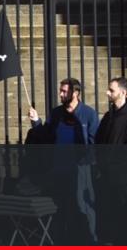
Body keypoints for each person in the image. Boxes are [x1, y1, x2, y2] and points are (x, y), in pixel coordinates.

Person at [27, 78, 99, 243]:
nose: (60, 94)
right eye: (61, 90)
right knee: (60, 209)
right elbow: (46, 136)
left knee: (83, 208)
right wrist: (36, 122)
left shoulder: (88, 114)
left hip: (80, 171)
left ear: (75, 93)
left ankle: (89, 241)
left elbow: (95, 143)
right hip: (59, 170)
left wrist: (84, 163)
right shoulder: (56, 113)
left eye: (64, 91)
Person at [93, 77, 127, 244]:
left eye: (112, 90)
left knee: (126, 224)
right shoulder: (109, 116)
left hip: (124, 181)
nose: (108, 93)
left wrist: (114, 167)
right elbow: (99, 141)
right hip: (107, 178)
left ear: (122, 92)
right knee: (108, 223)